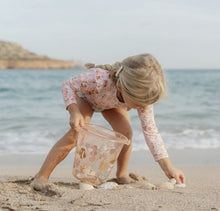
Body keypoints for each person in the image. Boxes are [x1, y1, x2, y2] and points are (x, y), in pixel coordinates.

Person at [32, 53, 185, 188]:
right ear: (121, 87)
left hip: (111, 104)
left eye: (144, 103)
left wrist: (168, 167)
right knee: (76, 133)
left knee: (126, 133)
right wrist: (74, 111)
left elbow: (151, 132)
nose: (142, 107)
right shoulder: (98, 78)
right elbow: (68, 85)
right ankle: (42, 176)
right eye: (138, 103)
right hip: (87, 97)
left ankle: (121, 174)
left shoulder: (143, 98)